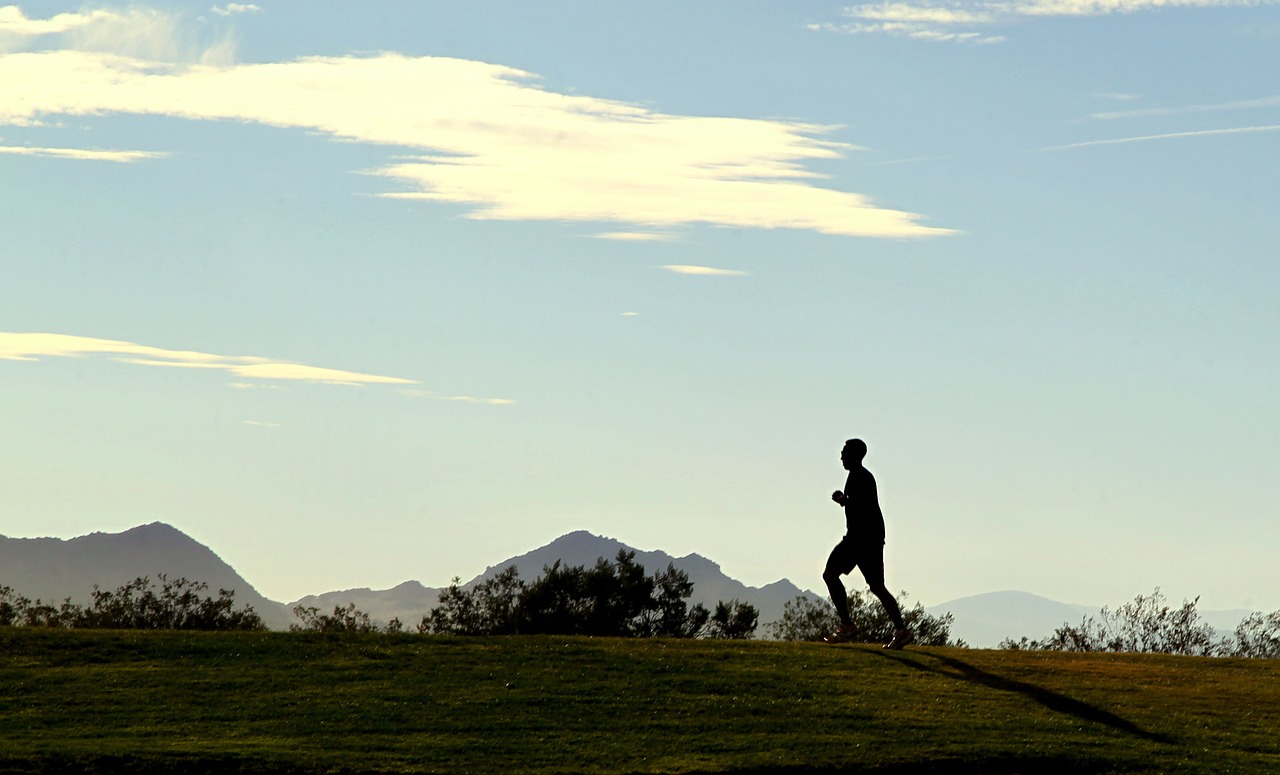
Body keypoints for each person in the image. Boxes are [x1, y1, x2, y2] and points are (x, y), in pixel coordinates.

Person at [821, 438, 914, 649]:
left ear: (854, 455)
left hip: (860, 538)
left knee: (830, 574)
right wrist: (846, 501)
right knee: (877, 586)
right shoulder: (859, 476)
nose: (841, 456)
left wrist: (844, 501)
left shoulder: (860, 477)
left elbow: (866, 503)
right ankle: (902, 631)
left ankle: (847, 625)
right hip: (870, 538)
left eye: (844, 452)